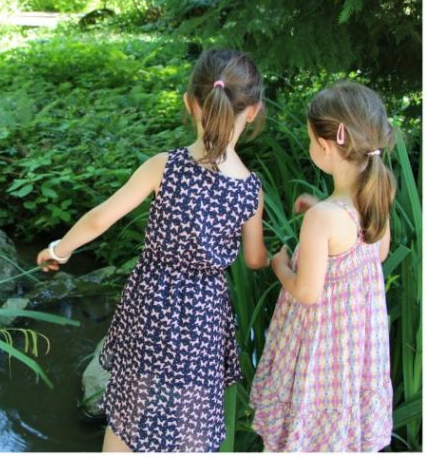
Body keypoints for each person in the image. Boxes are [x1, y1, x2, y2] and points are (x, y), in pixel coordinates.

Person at [37, 49, 269, 452]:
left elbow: (99, 219)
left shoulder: (166, 166)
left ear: (189, 102)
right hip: (204, 316)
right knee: (190, 414)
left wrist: (59, 249)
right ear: (252, 111)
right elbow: (254, 259)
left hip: (152, 302)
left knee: (131, 405)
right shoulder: (251, 190)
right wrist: (277, 258)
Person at [250, 81, 394, 451]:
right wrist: (318, 206)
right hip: (355, 353)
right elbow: (374, 253)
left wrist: (281, 265)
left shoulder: (324, 221)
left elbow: (307, 292)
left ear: (327, 146)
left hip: (321, 355)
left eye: (312, 138)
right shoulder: (378, 193)